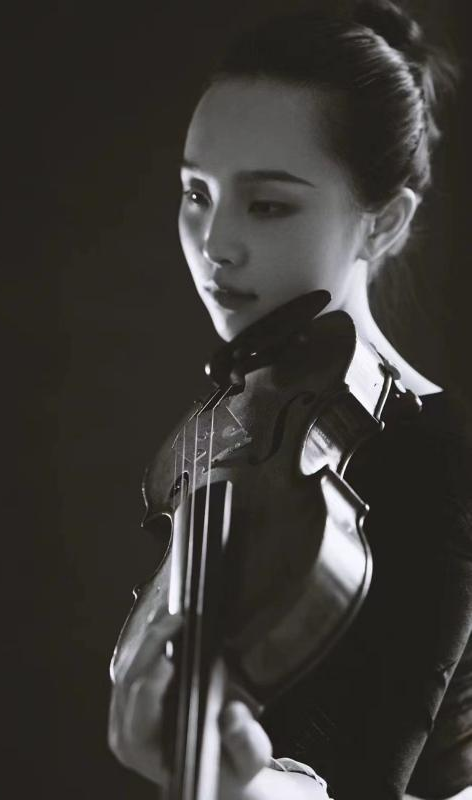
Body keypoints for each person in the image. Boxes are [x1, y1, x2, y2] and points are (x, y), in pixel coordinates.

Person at [108, 2, 472, 798]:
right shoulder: (255, 412)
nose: (214, 243)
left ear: (385, 223)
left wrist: (230, 780)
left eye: (267, 204)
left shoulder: (436, 462)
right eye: (196, 192)